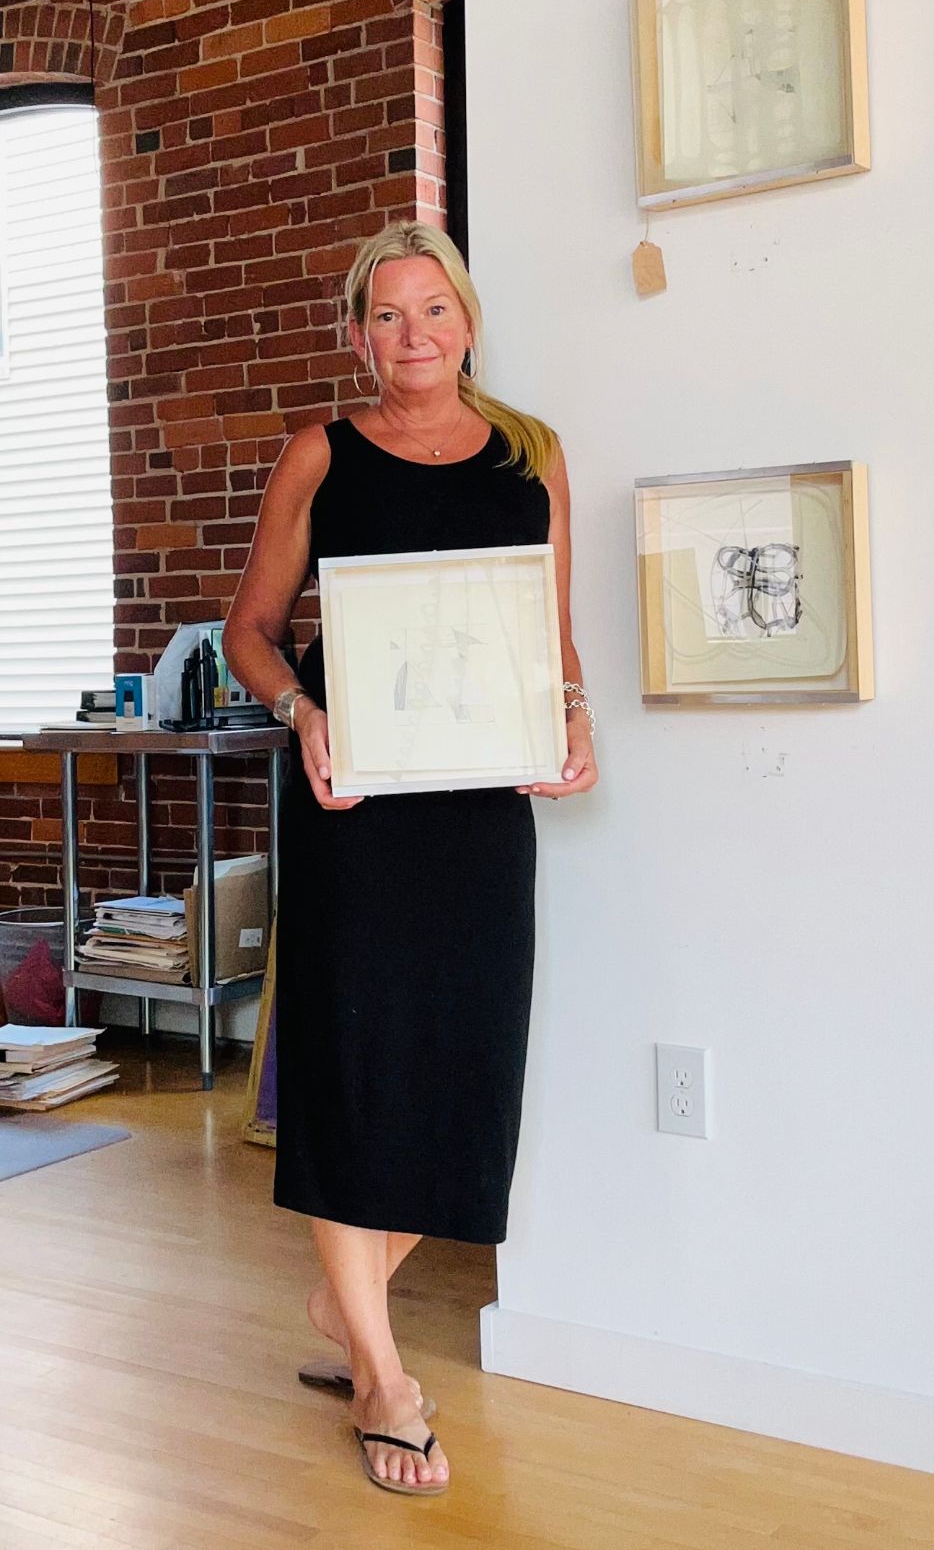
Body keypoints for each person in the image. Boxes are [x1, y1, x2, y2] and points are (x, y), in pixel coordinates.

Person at [221, 221, 597, 1496]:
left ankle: (352, 1298)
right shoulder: (323, 454)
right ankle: (383, 1375)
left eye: (432, 308)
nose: (412, 334)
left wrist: (576, 723)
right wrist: (299, 710)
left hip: (483, 807)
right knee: (356, 1060)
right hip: (354, 799)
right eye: (386, 316)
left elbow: (551, 638)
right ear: (357, 334)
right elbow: (253, 630)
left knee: (468, 1061)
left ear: (469, 318)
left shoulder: (532, 455)